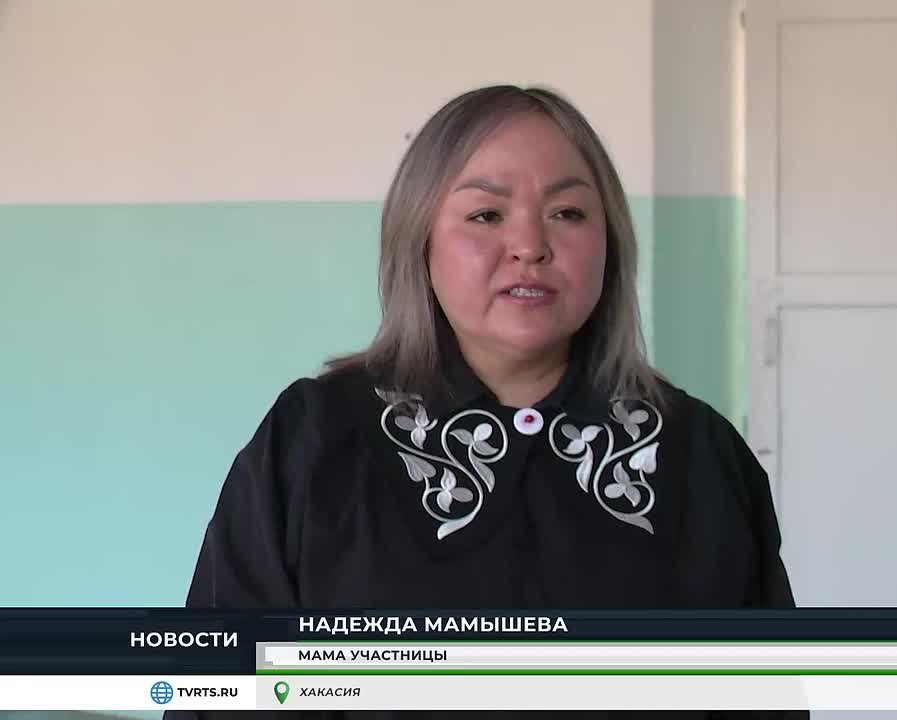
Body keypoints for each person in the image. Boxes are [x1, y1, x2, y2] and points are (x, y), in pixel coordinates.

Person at [177, 85, 802, 718]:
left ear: (610, 244)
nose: (530, 245)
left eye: (568, 213)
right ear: (419, 239)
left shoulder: (700, 453)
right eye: (486, 215)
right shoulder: (313, 439)